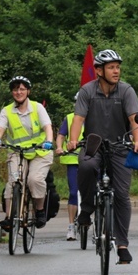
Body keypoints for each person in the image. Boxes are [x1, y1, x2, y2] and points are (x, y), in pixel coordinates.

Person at [66, 49, 138, 264]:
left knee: (121, 195)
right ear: (99, 70)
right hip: (94, 145)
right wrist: (73, 140)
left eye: (118, 67)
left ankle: (122, 245)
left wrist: (137, 141)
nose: (116, 71)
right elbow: (78, 119)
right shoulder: (87, 91)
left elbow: (135, 120)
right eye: (111, 67)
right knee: (85, 167)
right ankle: (89, 206)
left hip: (120, 146)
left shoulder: (126, 90)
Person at [0, 76, 54, 230]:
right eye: (15, 89)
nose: (18, 92)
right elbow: (0, 129)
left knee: (34, 179)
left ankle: (39, 210)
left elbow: (47, 126)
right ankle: (8, 217)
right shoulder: (7, 111)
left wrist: (49, 141)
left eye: (21, 89)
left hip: (40, 151)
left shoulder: (37, 107)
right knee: (13, 181)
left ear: (28, 91)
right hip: (16, 151)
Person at [55, 93, 84, 240]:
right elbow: (61, 135)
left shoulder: (97, 117)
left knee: (96, 191)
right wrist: (59, 147)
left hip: (92, 159)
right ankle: (71, 226)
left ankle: (99, 224)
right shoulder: (70, 117)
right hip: (73, 160)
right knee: (73, 192)